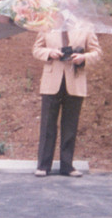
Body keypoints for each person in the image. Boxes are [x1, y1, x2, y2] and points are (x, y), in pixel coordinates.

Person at [32, 28, 102, 177]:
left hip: (75, 80)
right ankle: (43, 165)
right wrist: (49, 53)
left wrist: (83, 57)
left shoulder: (86, 26)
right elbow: (36, 49)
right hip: (52, 81)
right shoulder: (48, 25)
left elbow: (97, 52)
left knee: (70, 125)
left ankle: (67, 165)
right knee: (47, 125)